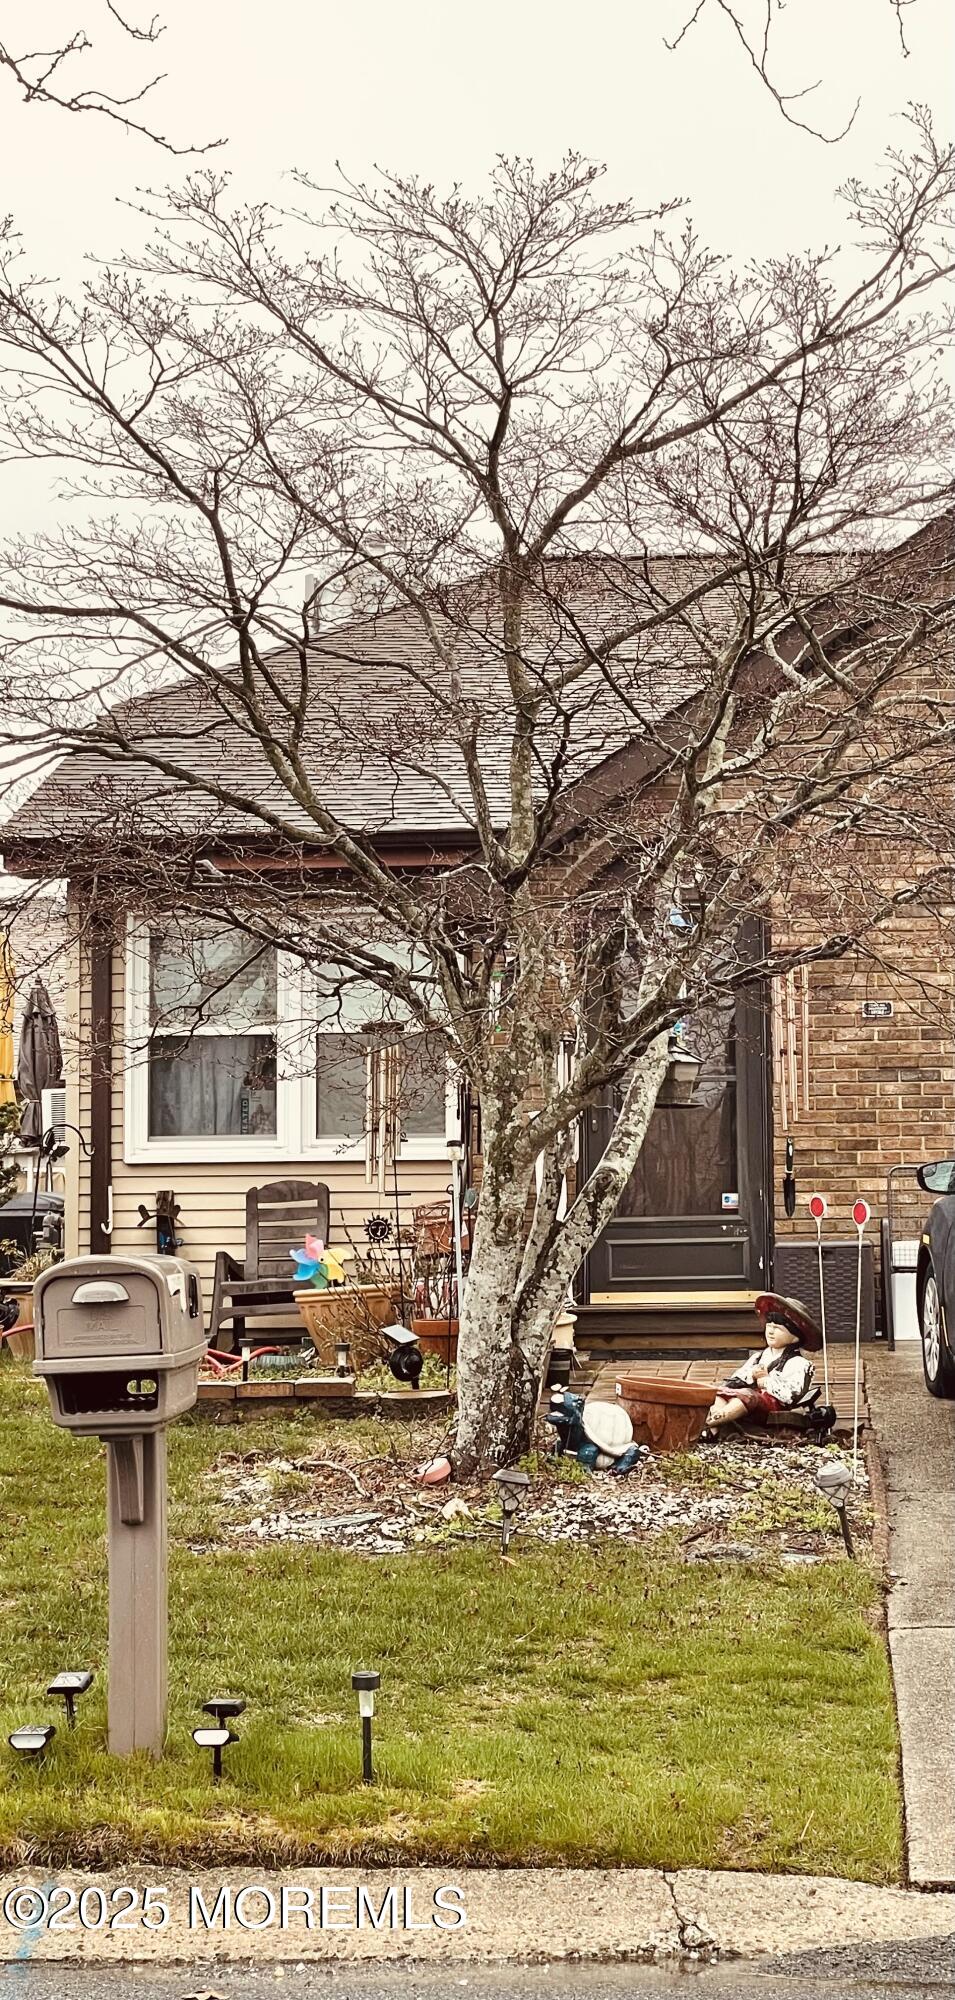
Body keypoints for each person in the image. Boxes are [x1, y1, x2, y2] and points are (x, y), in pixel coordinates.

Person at [703, 1292, 823, 1437]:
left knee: (748, 1396)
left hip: (770, 1406)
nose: (771, 1332)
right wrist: (750, 1377)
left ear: (795, 1337)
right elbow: (736, 1379)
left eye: (778, 1329)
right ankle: (712, 1431)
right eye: (769, 1326)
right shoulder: (758, 1357)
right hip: (746, 1398)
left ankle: (707, 1424)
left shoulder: (800, 1364)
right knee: (721, 1394)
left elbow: (792, 1396)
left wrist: (766, 1381)